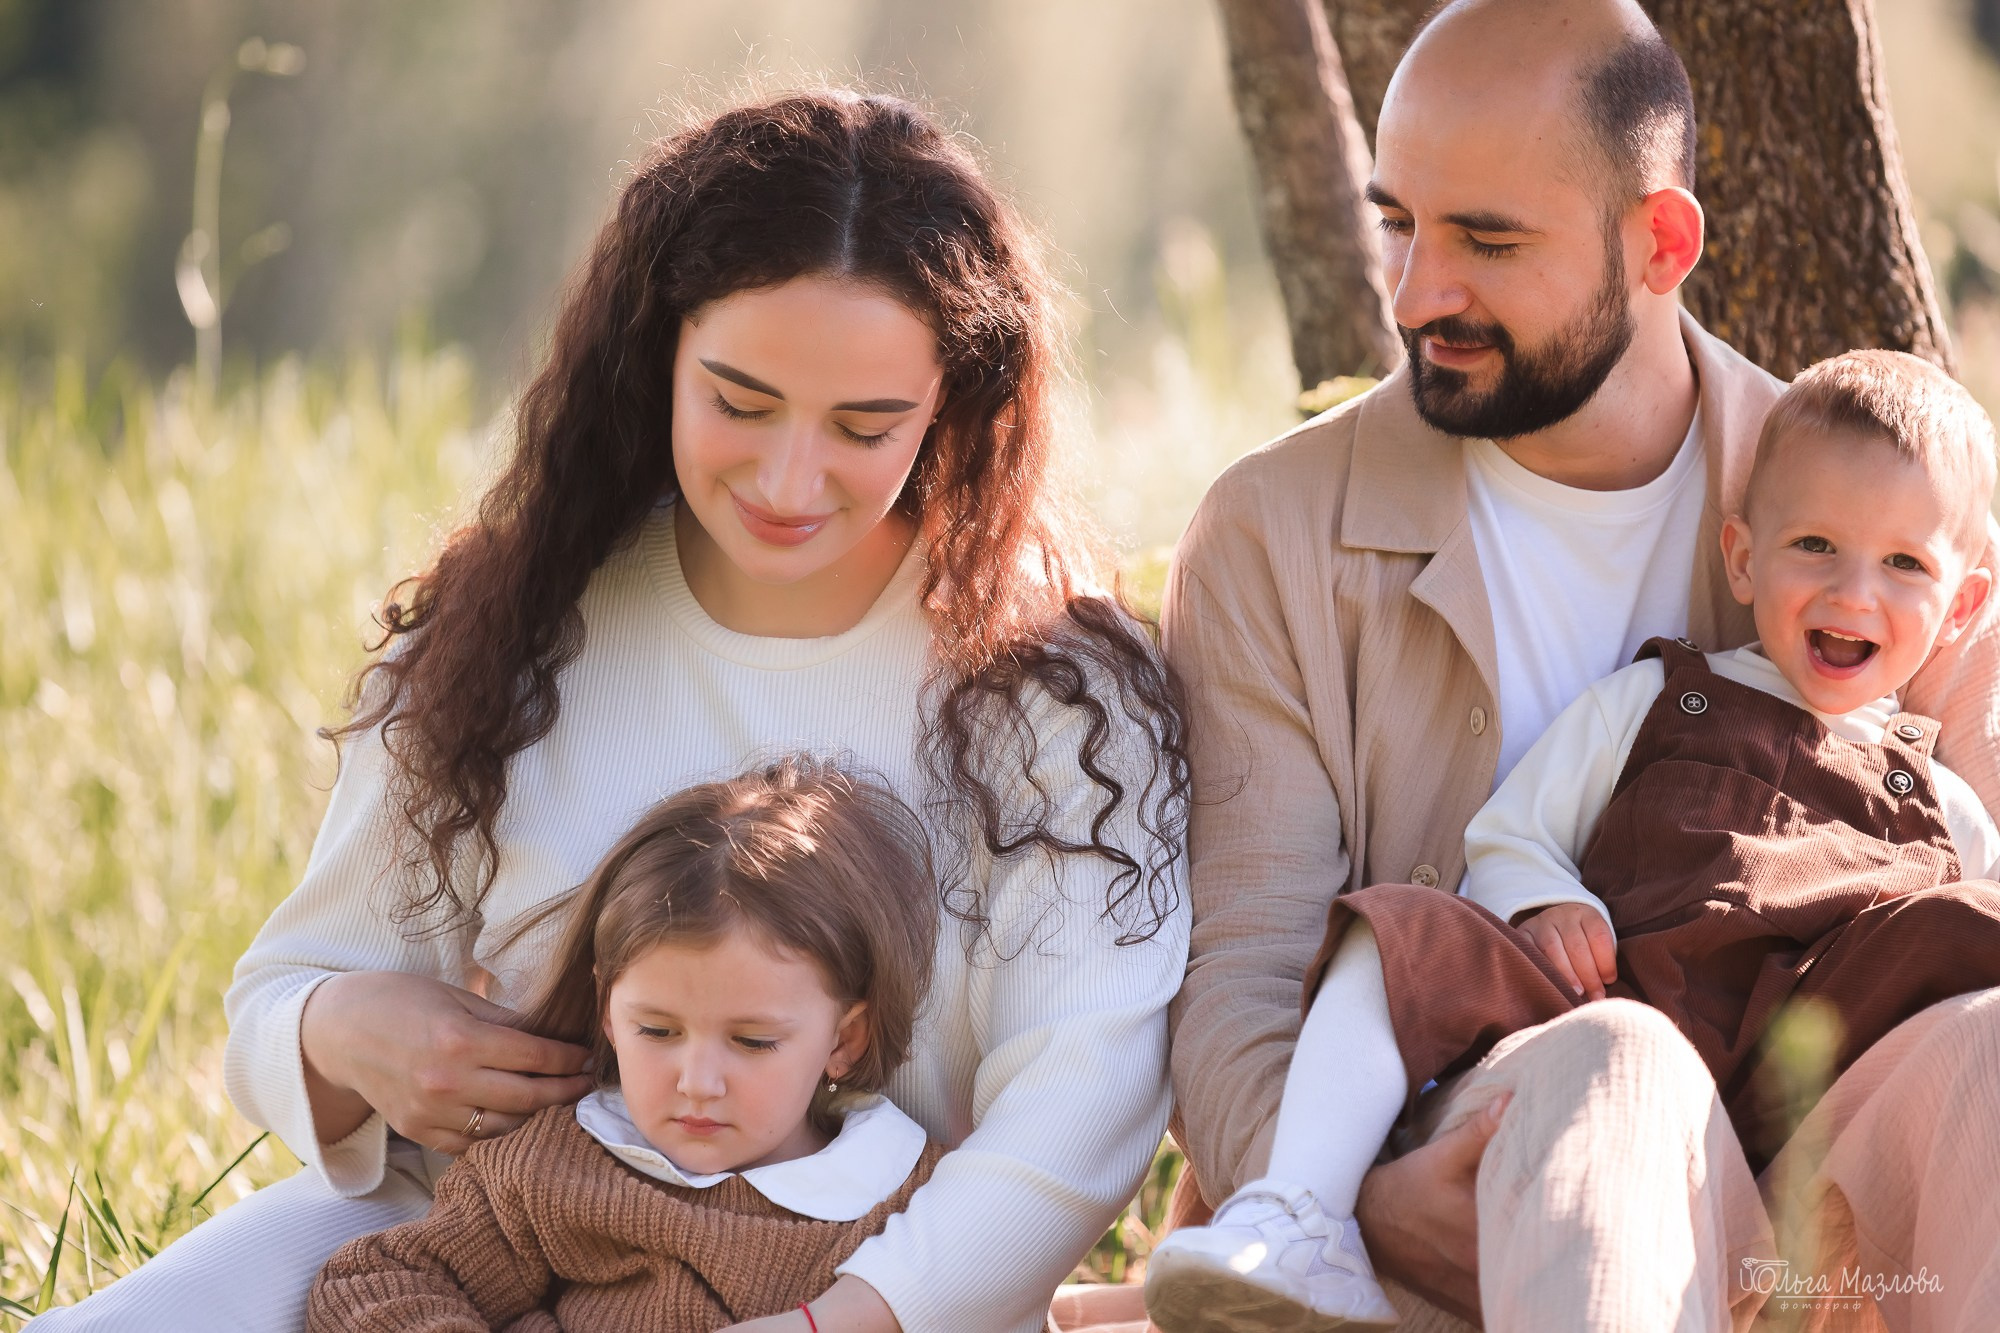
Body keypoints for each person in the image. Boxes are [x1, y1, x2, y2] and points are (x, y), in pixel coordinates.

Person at [34, 89, 1189, 1333]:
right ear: (656, 359)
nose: (790, 479)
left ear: (951, 404)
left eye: (865, 427)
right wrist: (347, 1027)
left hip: (869, 1306)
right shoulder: (522, 619)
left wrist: (838, 1322)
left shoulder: (1052, 691)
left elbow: (1084, 1100)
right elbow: (280, 997)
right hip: (459, 1266)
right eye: (738, 403)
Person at [1161, 2, 2000, 1330]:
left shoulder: (1874, 518)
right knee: (1616, 1059)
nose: (1414, 292)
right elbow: (1245, 985)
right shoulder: (1279, 533)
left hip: (1821, 1148)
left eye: (1486, 239)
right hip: (1477, 1140)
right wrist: (1370, 1203)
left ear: (1660, 242)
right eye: (1400, 223)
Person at [308, 757, 950, 1330]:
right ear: (608, 1012)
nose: (698, 1081)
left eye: (752, 1042)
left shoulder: (907, 1202)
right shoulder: (555, 1164)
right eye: (658, 1031)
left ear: (845, 1039)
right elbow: (375, 1282)